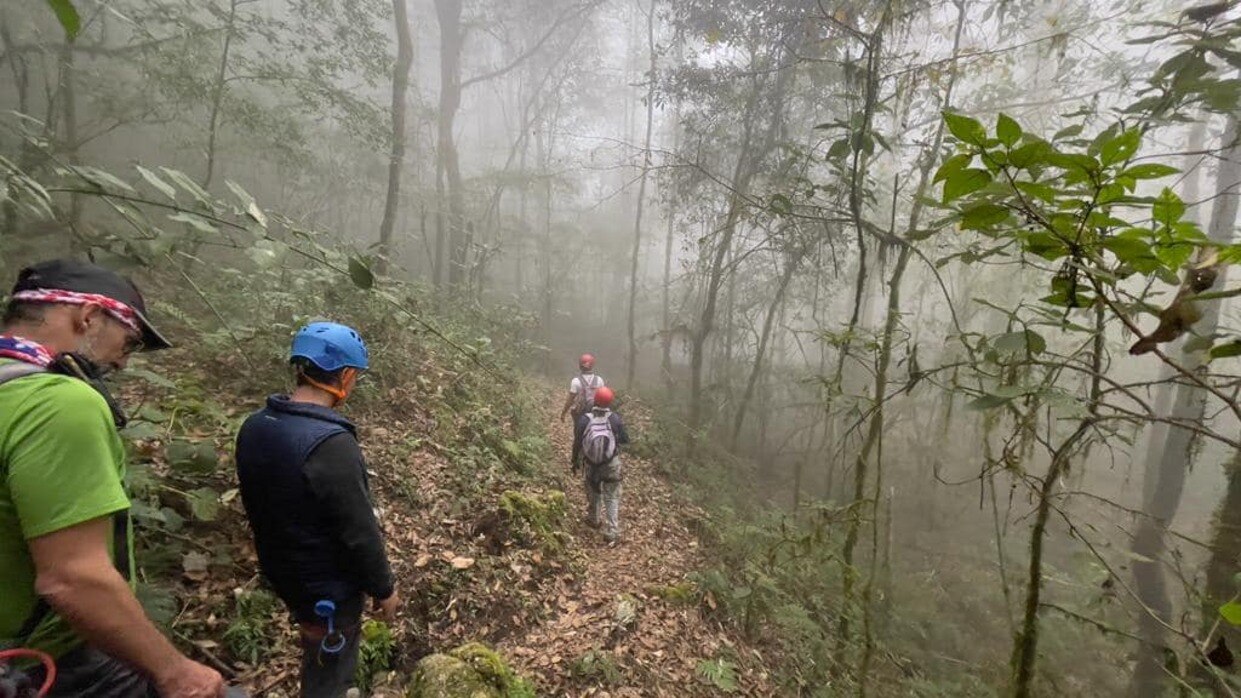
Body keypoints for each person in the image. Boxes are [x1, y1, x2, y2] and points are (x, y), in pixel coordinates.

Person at [0, 259, 231, 697]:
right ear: (88, 317)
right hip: (47, 659)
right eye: (129, 343)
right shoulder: (58, 403)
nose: (124, 363)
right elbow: (72, 577)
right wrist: (176, 672)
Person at [234, 322, 398, 698]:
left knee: (318, 654)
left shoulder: (257, 425)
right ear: (345, 375)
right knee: (330, 675)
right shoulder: (331, 444)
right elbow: (358, 530)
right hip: (328, 588)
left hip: (286, 573)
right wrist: (384, 588)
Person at [571, 386, 630, 544]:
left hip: (591, 464)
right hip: (611, 463)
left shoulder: (585, 419)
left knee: (593, 490)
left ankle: (594, 519)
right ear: (610, 402)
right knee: (611, 496)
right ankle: (612, 531)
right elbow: (625, 439)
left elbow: (577, 443)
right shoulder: (615, 419)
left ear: (595, 399)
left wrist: (574, 461)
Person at [559, 353, 605, 423]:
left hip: (581, 414)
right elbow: (603, 398)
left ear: (580, 366)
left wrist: (563, 413)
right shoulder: (600, 380)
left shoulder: (576, 381)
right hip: (596, 413)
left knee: (578, 430)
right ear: (592, 365)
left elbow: (570, 400)